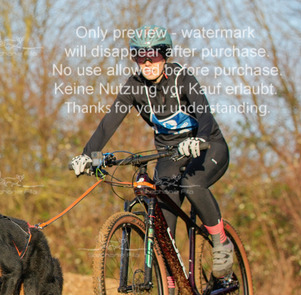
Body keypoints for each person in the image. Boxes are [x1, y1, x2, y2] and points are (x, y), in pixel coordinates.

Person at [70, 24, 234, 278]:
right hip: (169, 154)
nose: (146, 63)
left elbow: (204, 114)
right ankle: (170, 293)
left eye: (153, 55)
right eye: (140, 56)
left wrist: (199, 139)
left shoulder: (183, 79)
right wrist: (87, 154)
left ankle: (221, 242)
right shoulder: (134, 86)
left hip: (207, 147)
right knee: (163, 225)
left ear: (164, 55)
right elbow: (109, 121)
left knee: (191, 184)